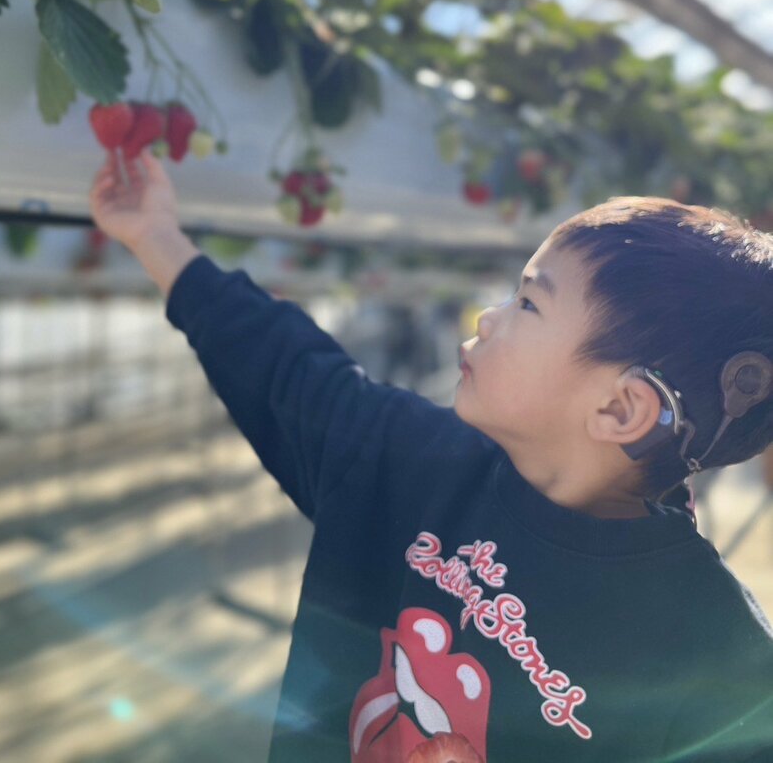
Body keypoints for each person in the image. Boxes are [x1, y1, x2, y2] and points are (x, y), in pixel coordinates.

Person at [89, 149, 773, 763]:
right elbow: (284, 366)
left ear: (619, 409)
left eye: (529, 303)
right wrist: (155, 237)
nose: (488, 316)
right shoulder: (408, 459)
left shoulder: (725, 668)